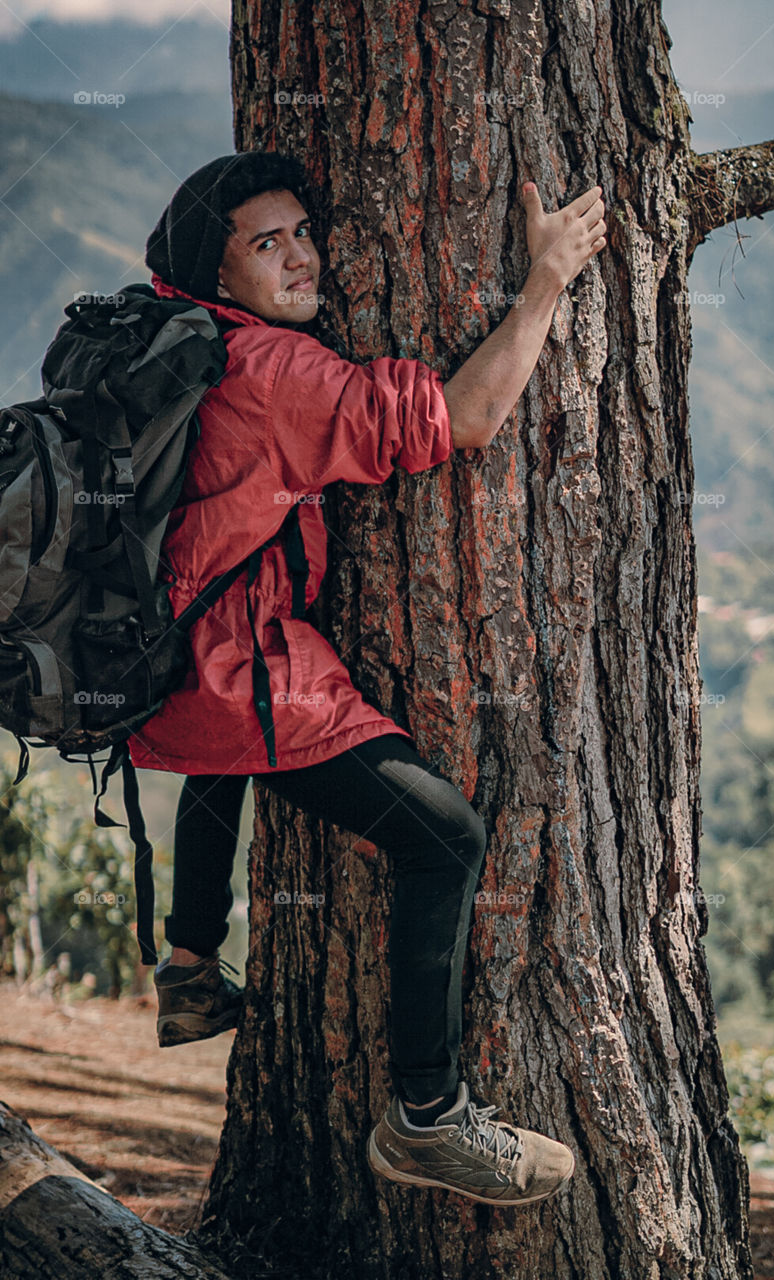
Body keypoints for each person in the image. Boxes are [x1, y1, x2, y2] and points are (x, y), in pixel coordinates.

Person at [130, 151, 607, 1206]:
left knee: (228, 755)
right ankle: (427, 1115)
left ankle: (191, 965)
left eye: (305, 231)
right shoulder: (277, 374)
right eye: (269, 243)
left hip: (172, 661)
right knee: (446, 837)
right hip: (240, 673)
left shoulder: (173, 326)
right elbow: (468, 415)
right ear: (219, 265)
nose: (303, 256)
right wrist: (546, 282)